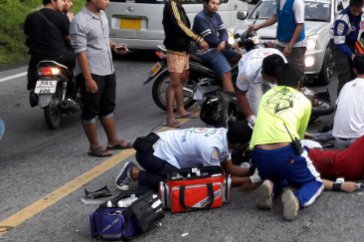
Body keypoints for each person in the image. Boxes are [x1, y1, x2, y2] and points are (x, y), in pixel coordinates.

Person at [249, 62, 322, 221]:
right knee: (315, 182)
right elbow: (299, 137)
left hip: (258, 155)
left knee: (280, 174)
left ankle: (269, 184)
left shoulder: (267, 95)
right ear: (299, 83)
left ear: (277, 80)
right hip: (284, 153)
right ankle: (297, 200)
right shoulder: (304, 100)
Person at [70, 0, 131, 157]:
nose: (108, 2)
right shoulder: (79, 21)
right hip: (92, 71)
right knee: (91, 109)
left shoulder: (102, 15)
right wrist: (88, 79)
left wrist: (114, 46)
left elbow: (103, 38)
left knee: (108, 106)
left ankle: (112, 140)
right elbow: (80, 52)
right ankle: (94, 146)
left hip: (107, 68)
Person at [114, 122, 254, 192]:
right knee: (182, 183)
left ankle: (150, 178)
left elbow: (229, 168)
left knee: (188, 175)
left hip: (158, 148)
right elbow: (219, 180)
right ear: (237, 144)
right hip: (150, 153)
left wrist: (252, 171)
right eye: (244, 145)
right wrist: (251, 180)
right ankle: (134, 173)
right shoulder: (211, 147)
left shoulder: (224, 136)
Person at [162, 0, 209, 128]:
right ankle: (170, 117)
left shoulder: (177, 5)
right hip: (175, 49)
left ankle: (181, 109)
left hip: (183, 49)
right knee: (174, 84)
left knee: (181, 81)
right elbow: (180, 26)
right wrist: (198, 39)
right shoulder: (172, 5)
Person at [23, 0, 74, 101]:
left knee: (33, 66)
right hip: (59, 57)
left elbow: (27, 37)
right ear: (52, 0)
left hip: (38, 58)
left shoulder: (31, 17)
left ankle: (32, 89)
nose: (63, 3)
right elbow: (70, 39)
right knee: (80, 63)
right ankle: (73, 92)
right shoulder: (61, 17)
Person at [248, 0, 306, 70]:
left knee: (295, 71)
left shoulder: (297, 1)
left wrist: (290, 46)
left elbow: (299, 25)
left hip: (296, 45)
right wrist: (257, 26)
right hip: (281, 42)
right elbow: (275, 17)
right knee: (279, 70)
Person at [192, 0, 240, 93]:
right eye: (213, 3)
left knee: (238, 57)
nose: (215, 6)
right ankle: (229, 101)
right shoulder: (200, 18)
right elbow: (209, 38)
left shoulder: (216, 16)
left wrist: (223, 42)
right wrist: (226, 44)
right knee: (226, 73)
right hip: (206, 50)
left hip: (217, 47)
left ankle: (222, 81)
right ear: (205, 4)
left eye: (218, 4)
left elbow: (223, 31)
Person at [235, 51, 285, 125]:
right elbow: (240, 94)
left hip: (272, 55)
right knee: (257, 111)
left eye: (277, 79)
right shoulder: (247, 72)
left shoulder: (284, 67)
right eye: (272, 80)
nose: (275, 82)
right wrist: (251, 119)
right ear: (263, 74)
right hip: (252, 74)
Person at [330, 0, 364, 95]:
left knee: (355, 72)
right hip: (338, 44)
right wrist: (351, 55)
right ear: (349, 7)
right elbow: (339, 42)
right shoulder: (342, 20)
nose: (356, 14)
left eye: (359, 11)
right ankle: (340, 103)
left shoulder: (358, 14)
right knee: (344, 74)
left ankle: (352, 98)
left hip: (348, 43)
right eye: (354, 11)